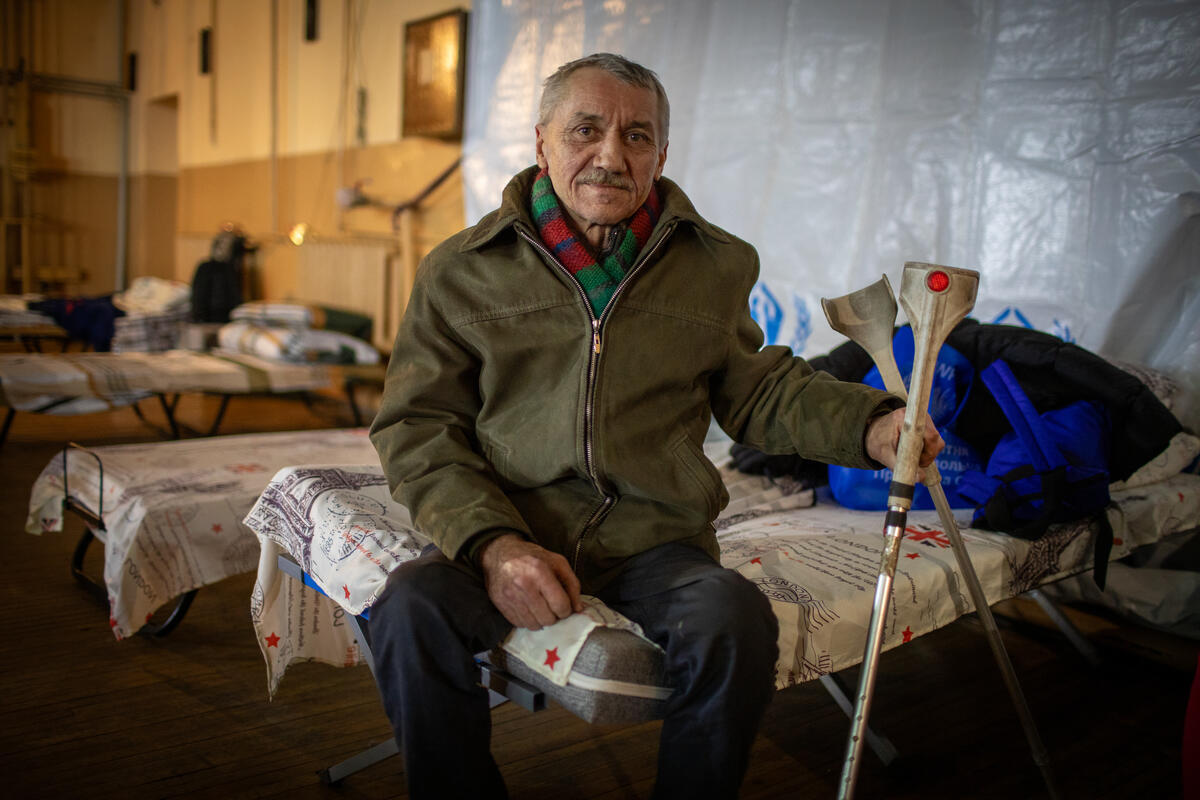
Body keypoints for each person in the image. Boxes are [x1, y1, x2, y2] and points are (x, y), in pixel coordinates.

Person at [368, 52, 943, 799]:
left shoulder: (713, 265)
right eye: (586, 130)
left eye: (637, 136)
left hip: (654, 540)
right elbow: (418, 425)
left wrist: (872, 425)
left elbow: (757, 390)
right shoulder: (461, 269)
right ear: (542, 141)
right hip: (513, 520)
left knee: (733, 620)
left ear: (662, 155)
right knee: (409, 606)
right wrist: (494, 545)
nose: (611, 155)